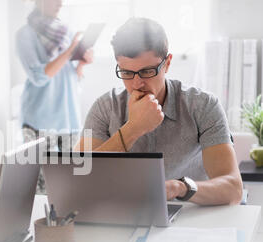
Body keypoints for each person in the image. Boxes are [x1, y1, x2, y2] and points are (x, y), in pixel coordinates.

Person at [75, 17, 243, 205]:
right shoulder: (105, 108)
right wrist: (133, 128)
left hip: (190, 217)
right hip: (125, 214)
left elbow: (233, 189)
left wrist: (179, 188)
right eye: (127, 73)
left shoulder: (203, 105)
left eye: (147, 71)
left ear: (168, 63)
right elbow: (80, 180)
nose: (137, 83)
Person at [16, 0, 93, 192]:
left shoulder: (65, 32)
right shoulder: (25, 34)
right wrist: (70, 51)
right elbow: (39, 76)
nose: (60, 3)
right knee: (44, 190)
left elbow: (71, 76)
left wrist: (82, 63)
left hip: (69, 120)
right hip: (40, 123)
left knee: (70, 187)